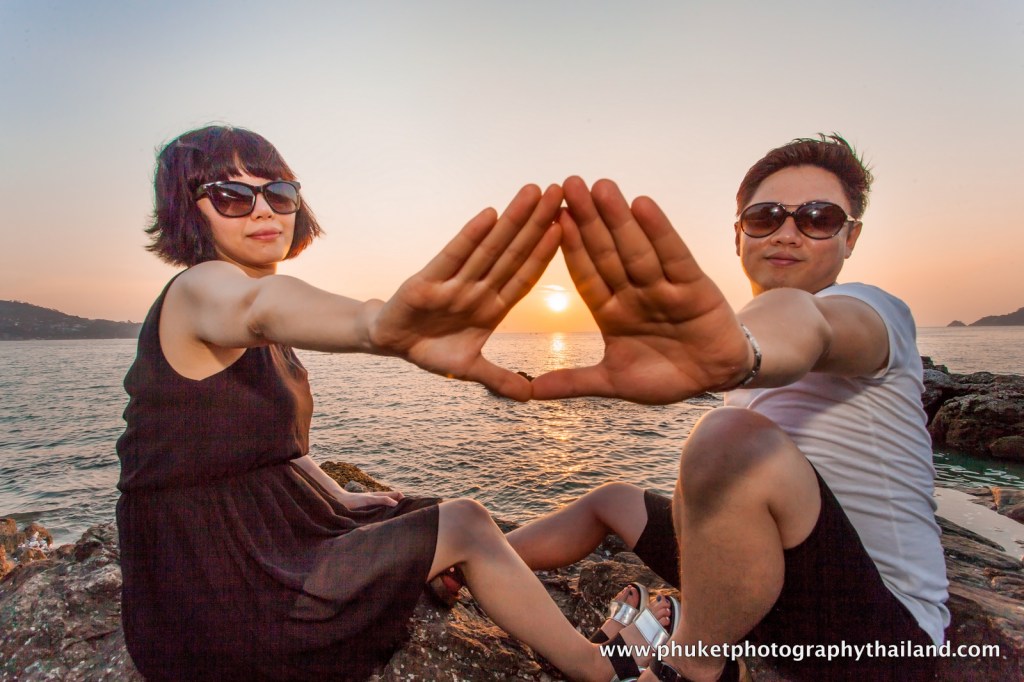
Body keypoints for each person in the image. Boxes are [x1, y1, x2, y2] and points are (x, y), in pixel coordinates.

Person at [115, 124, 663, 681]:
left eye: (279, 194)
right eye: (232, 196)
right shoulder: (202, 289)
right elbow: (261, 303)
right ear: (188, 210)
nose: (264, 213)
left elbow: (271, 447)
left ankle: (451, 575)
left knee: (416, 509)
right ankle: (600, 669)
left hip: (260, 538)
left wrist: (339, 496)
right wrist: (381, 322)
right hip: (213, 593)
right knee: (467, 522)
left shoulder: (259, 324)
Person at [509, 135, 949, 681]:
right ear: (739, 232)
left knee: (731, 440)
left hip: (879, 634)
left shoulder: (872, 310)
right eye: (765, 217)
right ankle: (483, 556)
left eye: (818, 217)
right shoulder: (743, 341)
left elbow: (810, 327)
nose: (788, 231)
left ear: (850, 236)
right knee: (614, 501)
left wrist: (747, 353)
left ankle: (693, 668)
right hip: (781, 588)